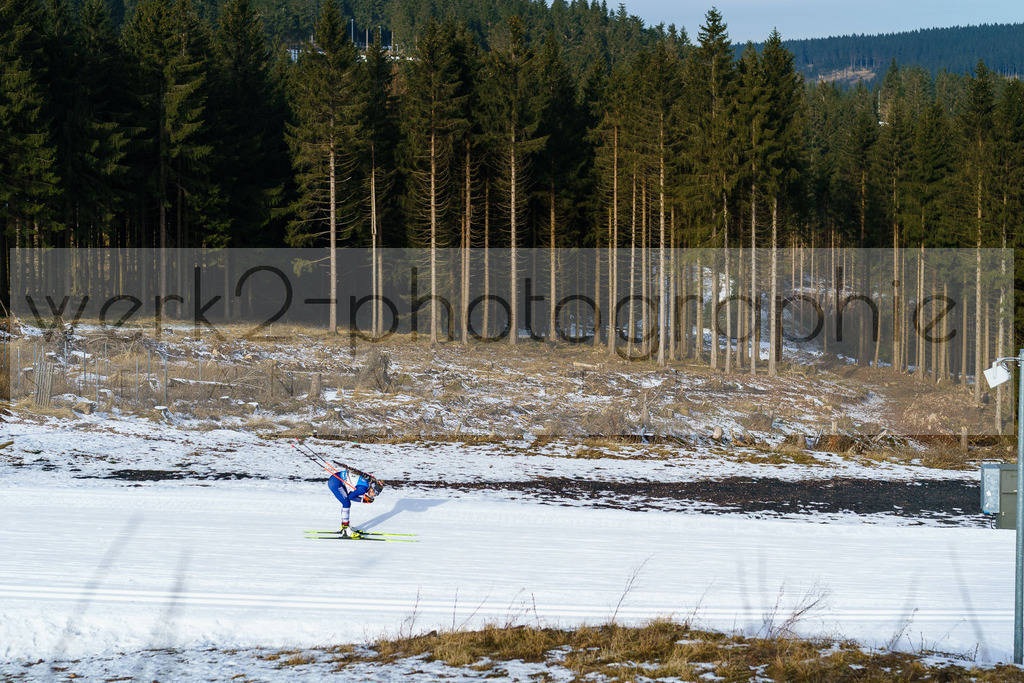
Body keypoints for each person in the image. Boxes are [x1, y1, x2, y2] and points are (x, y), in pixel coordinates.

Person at [326, 462, 381, 537]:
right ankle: (345, 529)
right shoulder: (363, 489)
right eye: (376, 494)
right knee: (346, 503)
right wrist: (364, 500)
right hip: (335, 483)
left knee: (346, 502)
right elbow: (350, 497)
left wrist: (363, 498)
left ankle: (345, 526)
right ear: (372, 489)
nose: (374, 496)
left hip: (337, 479)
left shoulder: (367, 482)